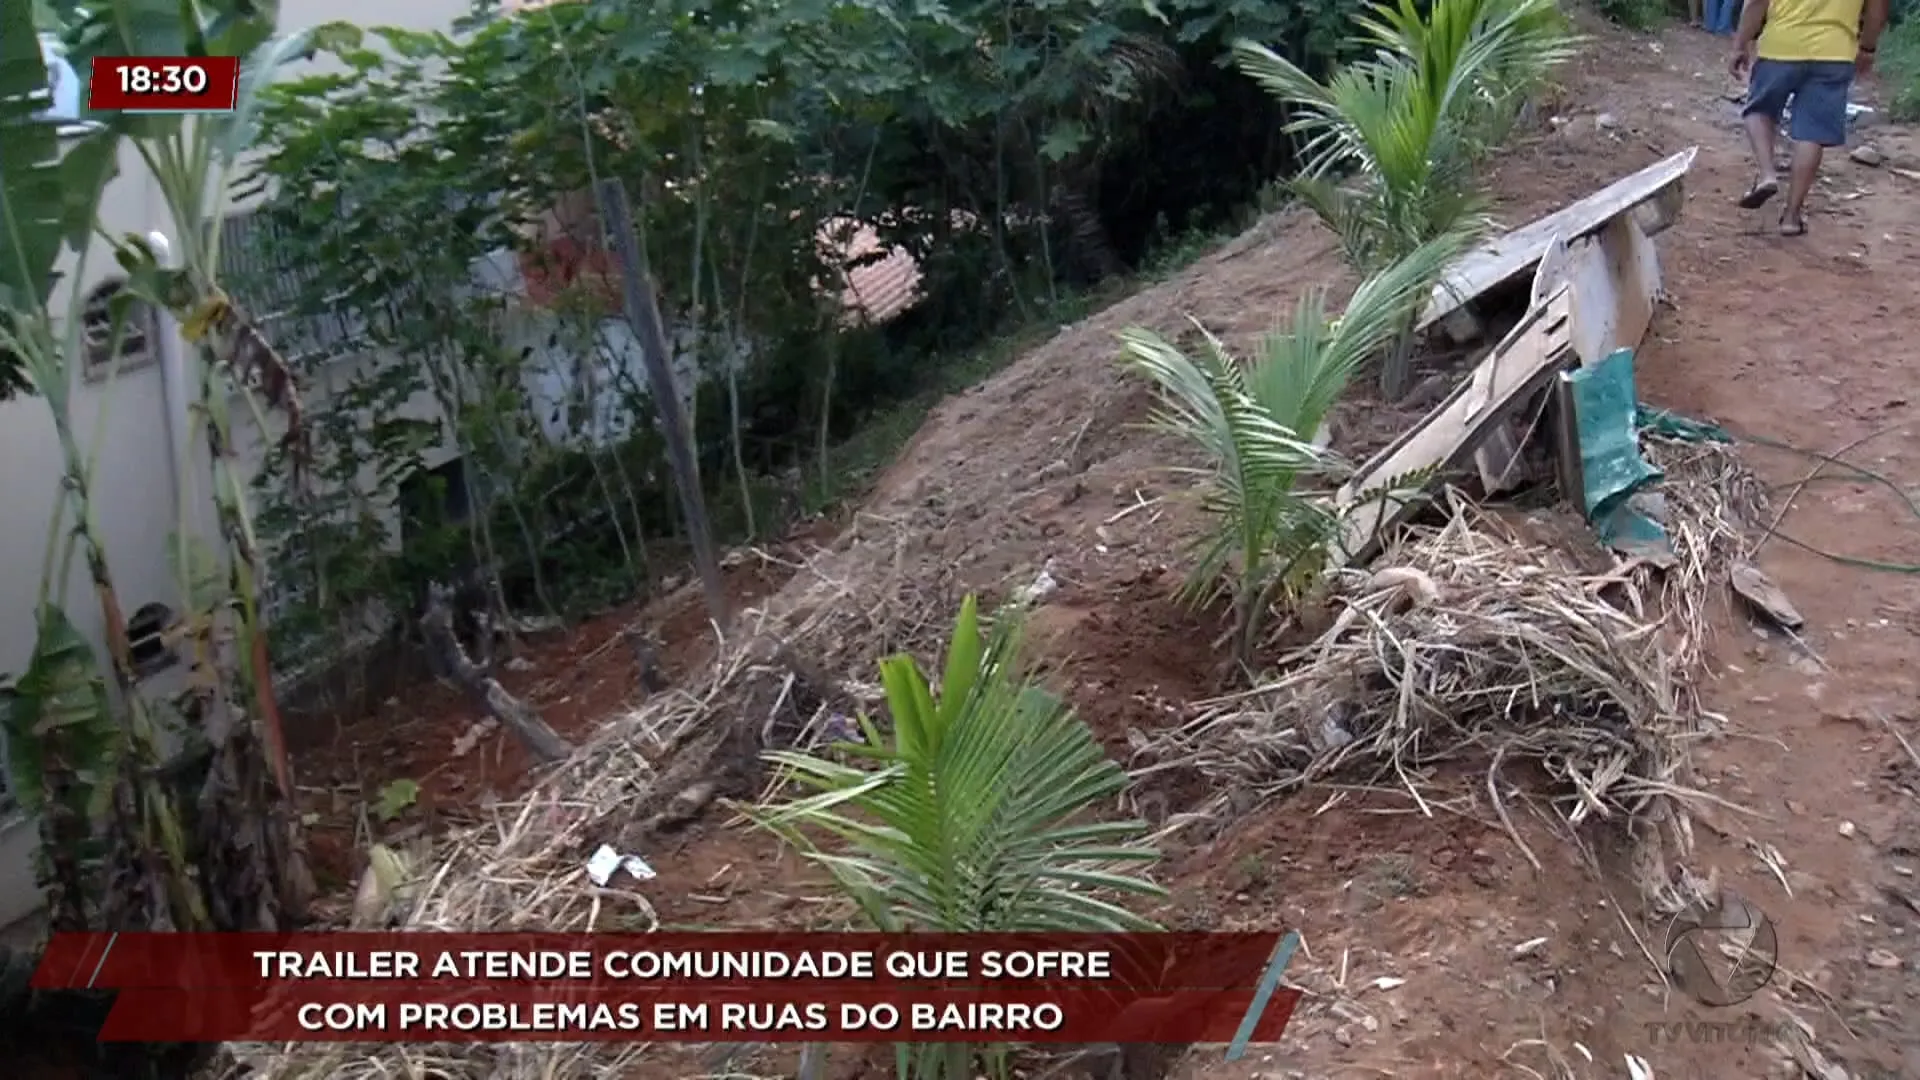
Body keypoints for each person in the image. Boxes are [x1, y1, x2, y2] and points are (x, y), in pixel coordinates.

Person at [1729, 0, 1888, 236]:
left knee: (1758, 110)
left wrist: (1740, 44)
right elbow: (1879, 7)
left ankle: (1767, 174)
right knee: (1812, 133)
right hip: (1835, 52)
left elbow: (1756, 2)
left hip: (1780, 46)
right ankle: (1792, 216)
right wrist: (1867, 47)